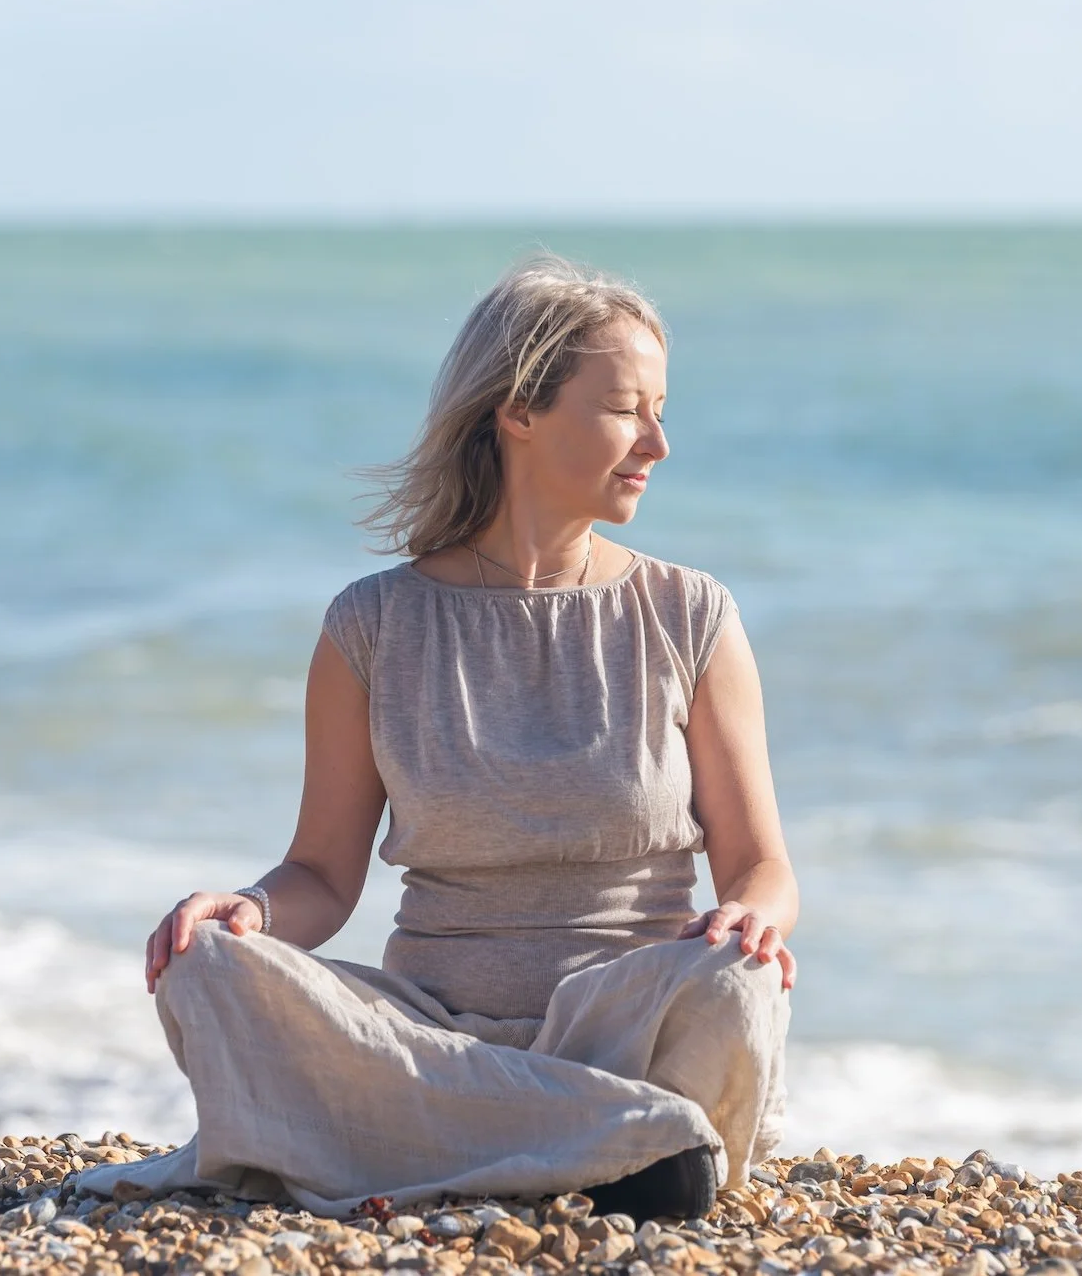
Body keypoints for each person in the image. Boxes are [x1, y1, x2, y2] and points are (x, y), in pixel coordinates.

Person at [74, 252, 798, 1221]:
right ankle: (620, 1148)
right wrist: (245, 908)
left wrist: (751, 918)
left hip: (626, 1025)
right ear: (519, 411)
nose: (658, 442)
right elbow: (324, 879)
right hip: (426, 1036)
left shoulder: (690, 614)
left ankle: (467, 1144)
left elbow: (761, 869)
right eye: (628, 407)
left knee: (737, 989)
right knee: (208, 969)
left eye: (661, 410)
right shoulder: (372, 627)